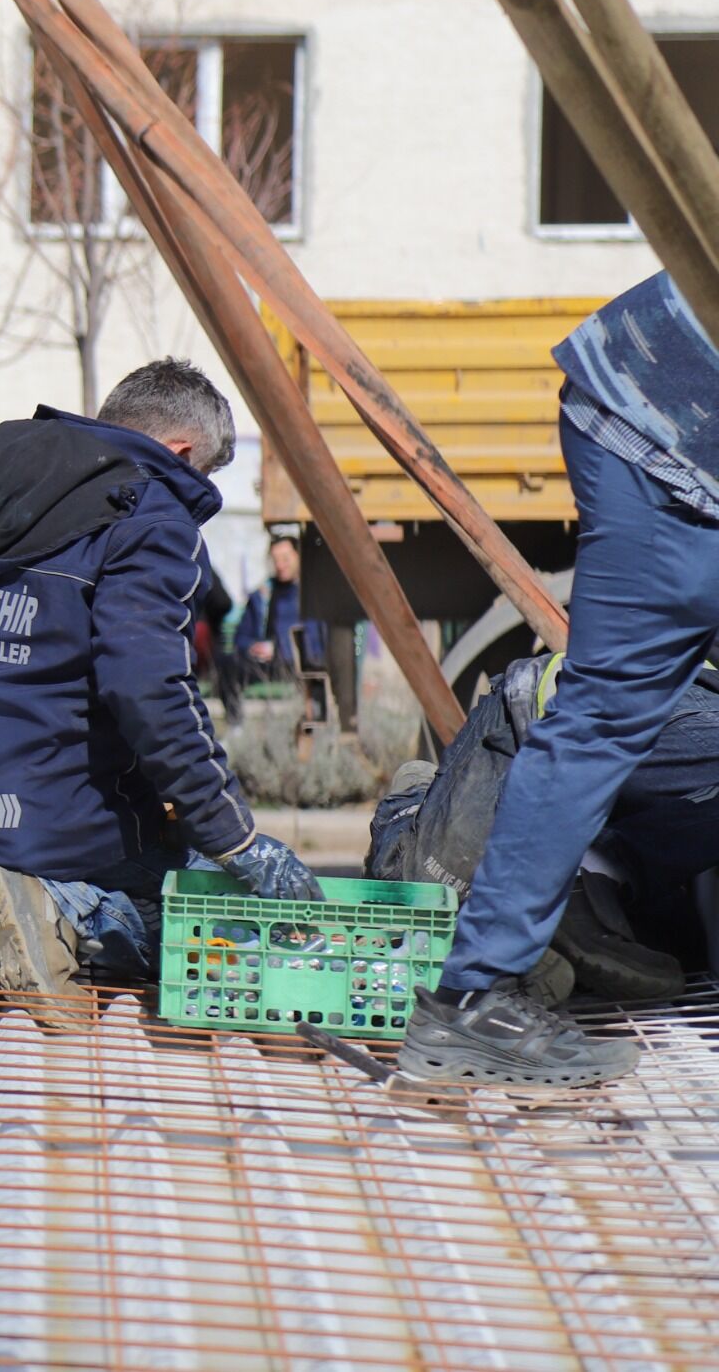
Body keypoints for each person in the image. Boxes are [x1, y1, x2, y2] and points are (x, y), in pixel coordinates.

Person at [0, 358, 322, 1026]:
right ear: (180, 453)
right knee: (199, 917)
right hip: (33, 831)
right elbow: (149, 690)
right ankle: (64, 910)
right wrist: (234, 840)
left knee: (29, 826)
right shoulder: (151, 515)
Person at [397, 273, 719, 1088]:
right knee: (603, 718)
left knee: (601, 721)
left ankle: (481, 986)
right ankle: (477, 1000)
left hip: (645, 409)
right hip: (665, 436)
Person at [369, 649, 719, 1004]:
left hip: (609, 796)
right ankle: (413, 801)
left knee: (680, 948)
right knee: (424, 891)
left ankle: (587, 883)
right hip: (535, 726)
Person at [214, 534, 326, 726]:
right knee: (227, 664)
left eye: (285, 559)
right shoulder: (262, 595)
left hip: (307, 662)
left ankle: (318, 724)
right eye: (275, 560)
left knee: (318, 668)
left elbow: (319, 638)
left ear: (299, 557)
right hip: (271, 664)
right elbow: (241, 638)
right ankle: (235, 726)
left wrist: (284, 648)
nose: (280, 565)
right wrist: (254, 646)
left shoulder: (315, 594)